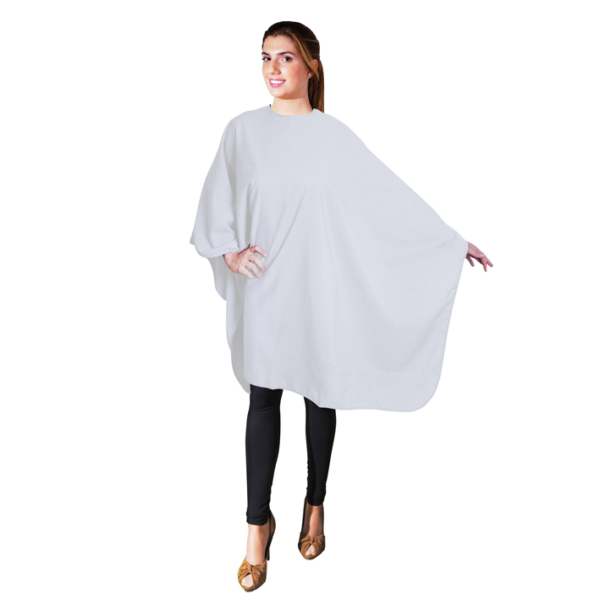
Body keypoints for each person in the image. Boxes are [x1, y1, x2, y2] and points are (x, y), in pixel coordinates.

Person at [189, 21, 493, 592]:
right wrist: (229, 252)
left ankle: (315, 504)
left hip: (316, 287)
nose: (273, 68)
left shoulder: (332, 137)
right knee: (263, 397)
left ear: (311, 66)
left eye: (285, 57)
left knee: (318, 392)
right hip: (265, 286)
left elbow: (386, 198)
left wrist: (449, 243)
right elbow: (217, 198)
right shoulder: (242, 131)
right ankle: (257, 527)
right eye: (265, 57)